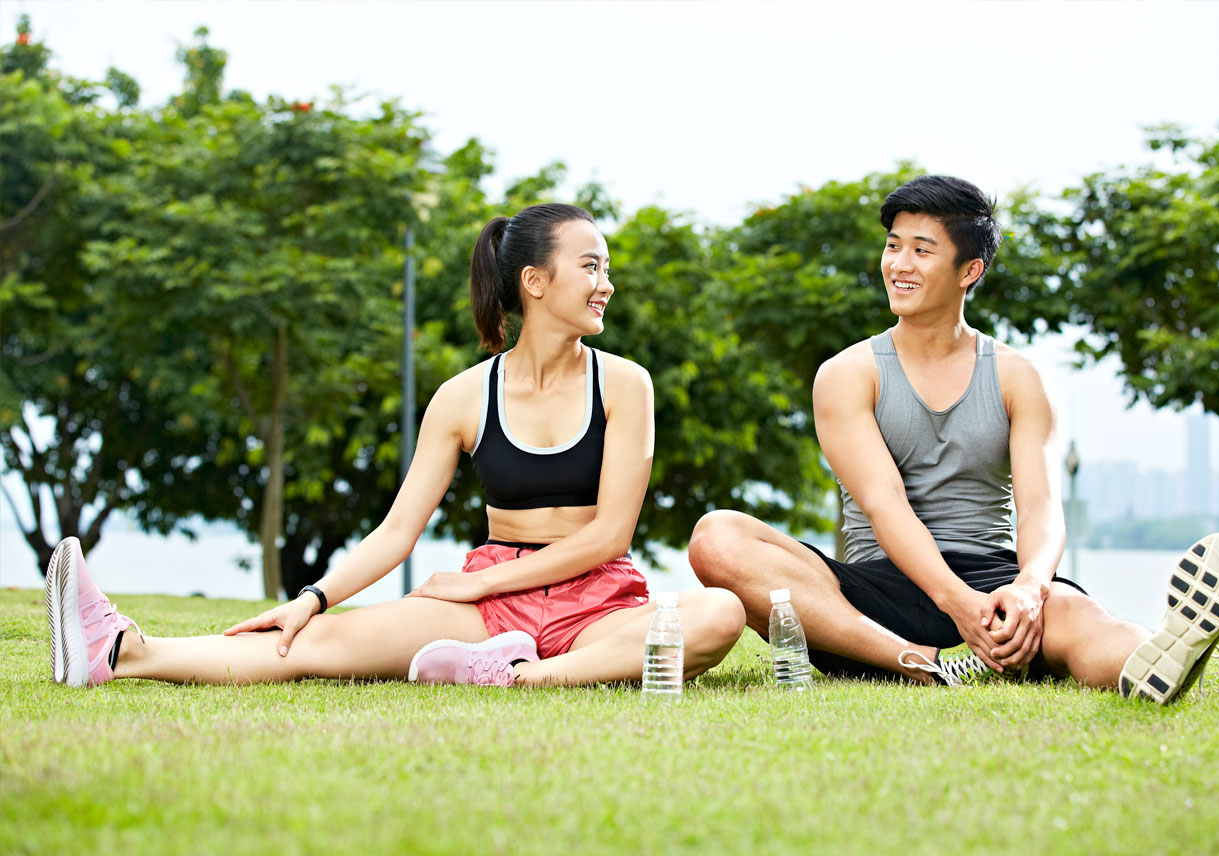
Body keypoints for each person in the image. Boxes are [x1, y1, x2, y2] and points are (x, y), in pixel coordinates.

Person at [46, 202, 745, 689]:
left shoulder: (626, 385)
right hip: (490, 613)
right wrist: (314, 598)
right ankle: (120, 651)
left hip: (597, 605)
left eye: (605, 268)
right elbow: (397, 531)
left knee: (718, 614)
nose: (607, 284)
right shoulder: (465, 397)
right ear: (535, 282)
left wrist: (476, 581)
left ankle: (526, 676)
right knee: (312, 647)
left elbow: (608, 535)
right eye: (590, 267)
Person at [688, 176, 1219, 704]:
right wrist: (956, 606)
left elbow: (1041, 507)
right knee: (718, 537)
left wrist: (1028, 588)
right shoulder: (848, 373)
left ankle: (1151, 659)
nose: (899, 265)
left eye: (921, 250)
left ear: (969, 269)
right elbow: (885, 506)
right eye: (893, 246)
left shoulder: (1016, 376)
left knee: (1079, 619)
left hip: (992, 579)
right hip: (874, 596)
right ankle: (925, 662)